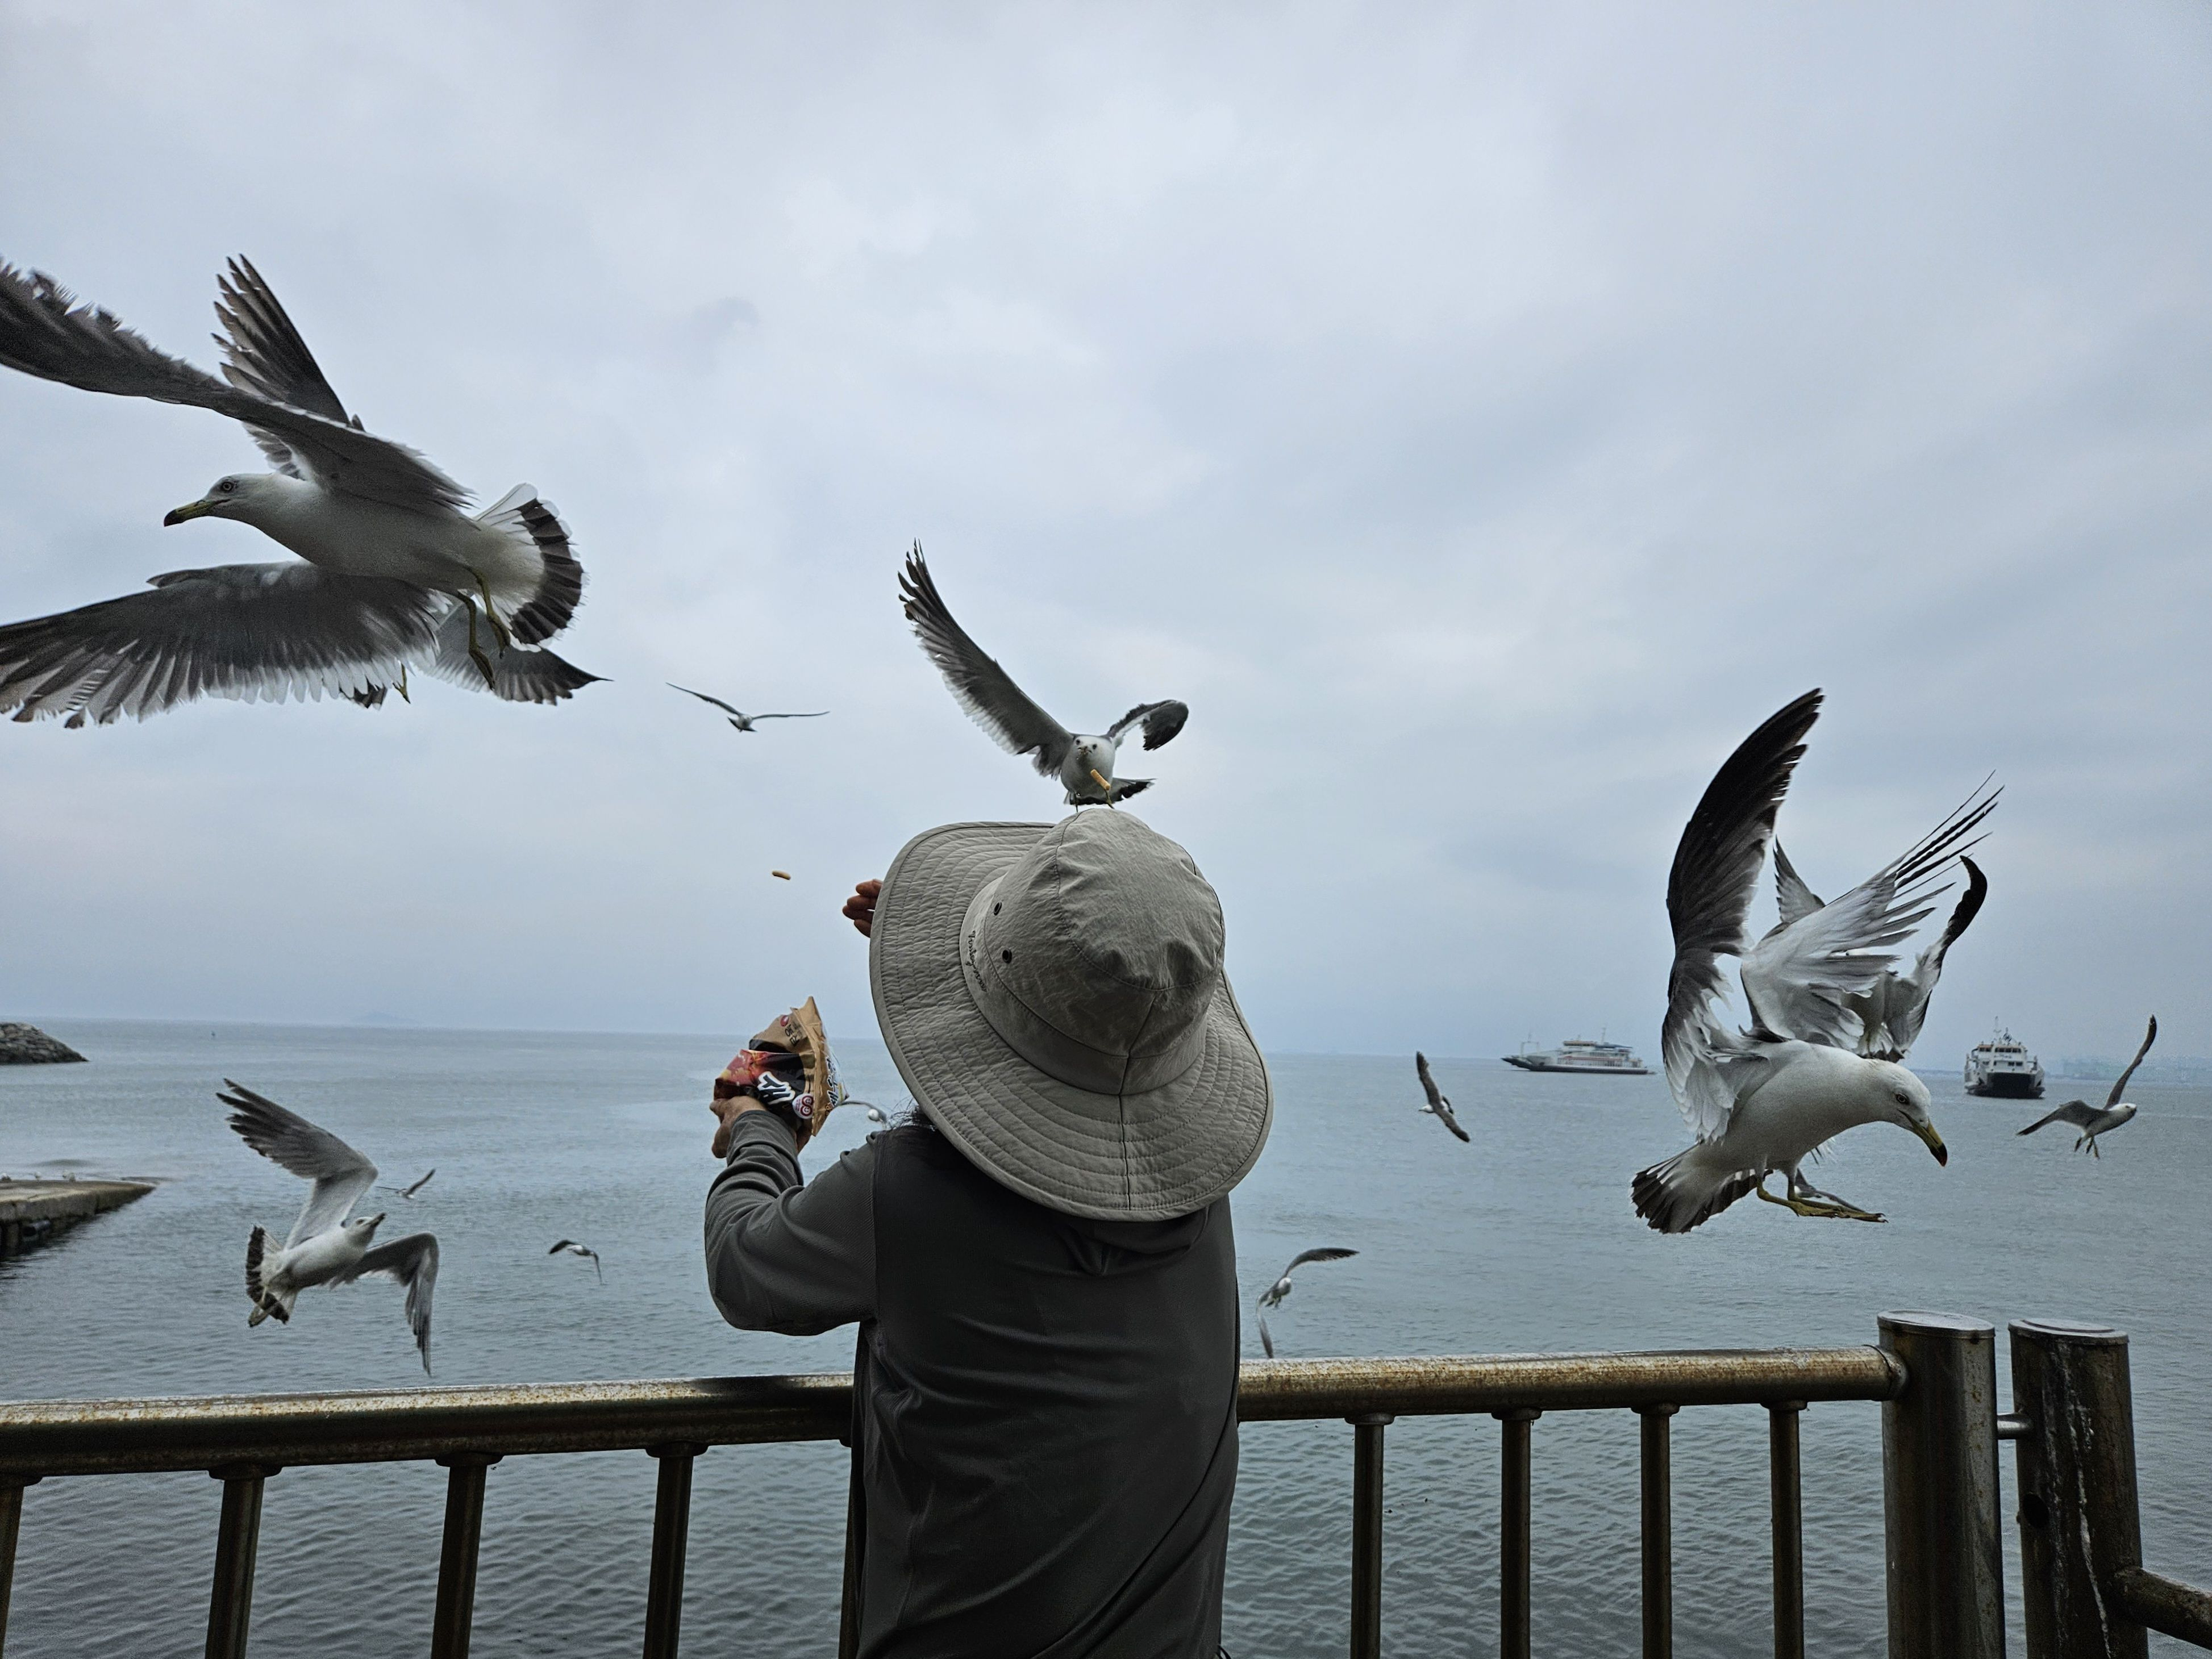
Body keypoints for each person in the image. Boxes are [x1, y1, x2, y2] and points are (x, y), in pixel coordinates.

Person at [705, 810, 1273, 1658]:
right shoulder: (1195, 1196)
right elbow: (1118, 1005)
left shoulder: (908, 1188)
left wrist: (761, 1128)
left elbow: (745, 1268)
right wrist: (1026, 964)